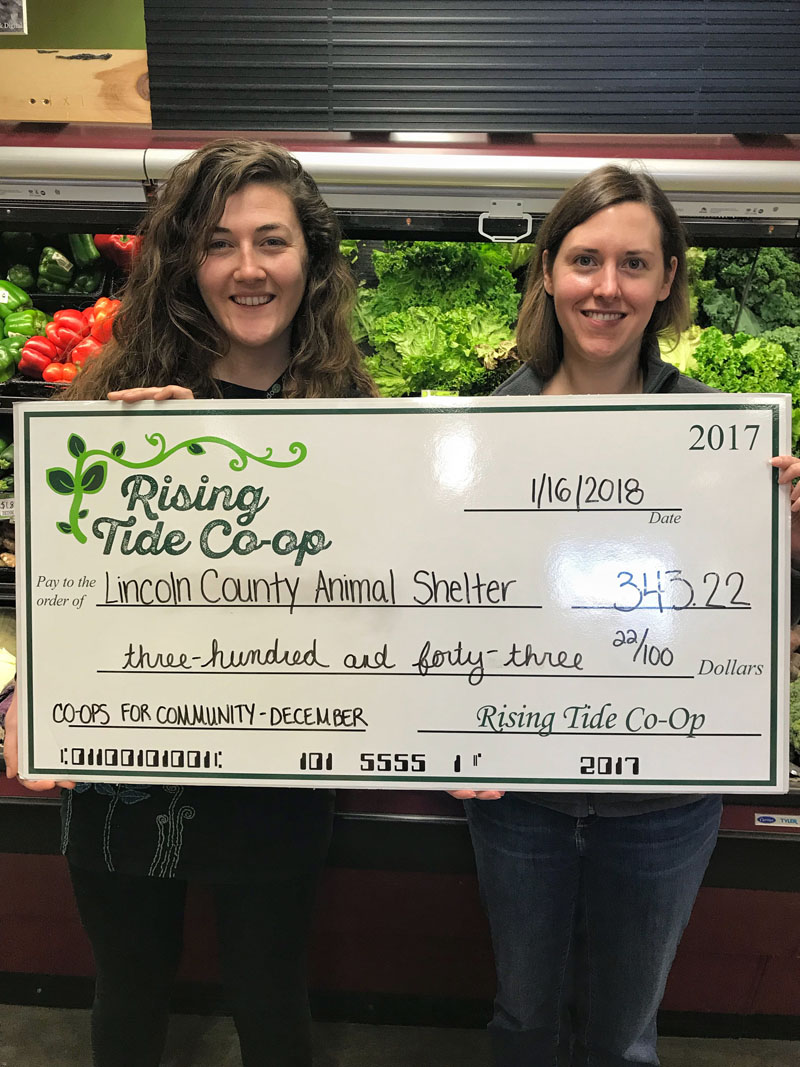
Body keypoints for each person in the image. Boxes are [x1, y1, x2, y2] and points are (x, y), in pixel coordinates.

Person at [4, 137, 377, 1067]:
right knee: (128, 990)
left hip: (276, 763)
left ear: (312, 259)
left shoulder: (352, 410)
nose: (248, 268)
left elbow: (381, 590)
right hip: (132, 765)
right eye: (218, 243)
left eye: (272, 240)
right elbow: (69, 576)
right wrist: (36, 700)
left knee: (271, 992)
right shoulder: (118, 405)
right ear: (186, 261)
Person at [451, 163, 800, 1067]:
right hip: (519, 798)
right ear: (548, 273)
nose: (607, 287)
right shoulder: (486, 431)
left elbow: (766, 622)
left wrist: (787, 540)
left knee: (623, 1034)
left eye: (634, 264)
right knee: (523, 1017)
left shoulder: (723, 441)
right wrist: (439, 723)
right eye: (585, 260)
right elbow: (446, 608)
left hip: (664, 804)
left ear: (668, 280)